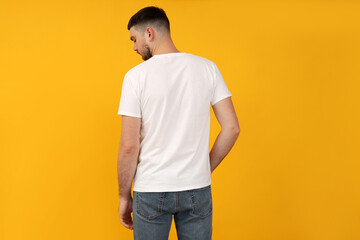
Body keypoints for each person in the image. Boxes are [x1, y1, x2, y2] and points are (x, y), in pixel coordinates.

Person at [117, 6, 240, 240]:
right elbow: (232, 128)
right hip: (196, 187)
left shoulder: (136, 76)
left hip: (152, 188)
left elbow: (129, 147)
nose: (133, 46)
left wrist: (124, 197)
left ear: (149, 33)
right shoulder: (207, 68)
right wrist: (205, 167)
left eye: (134, 39)